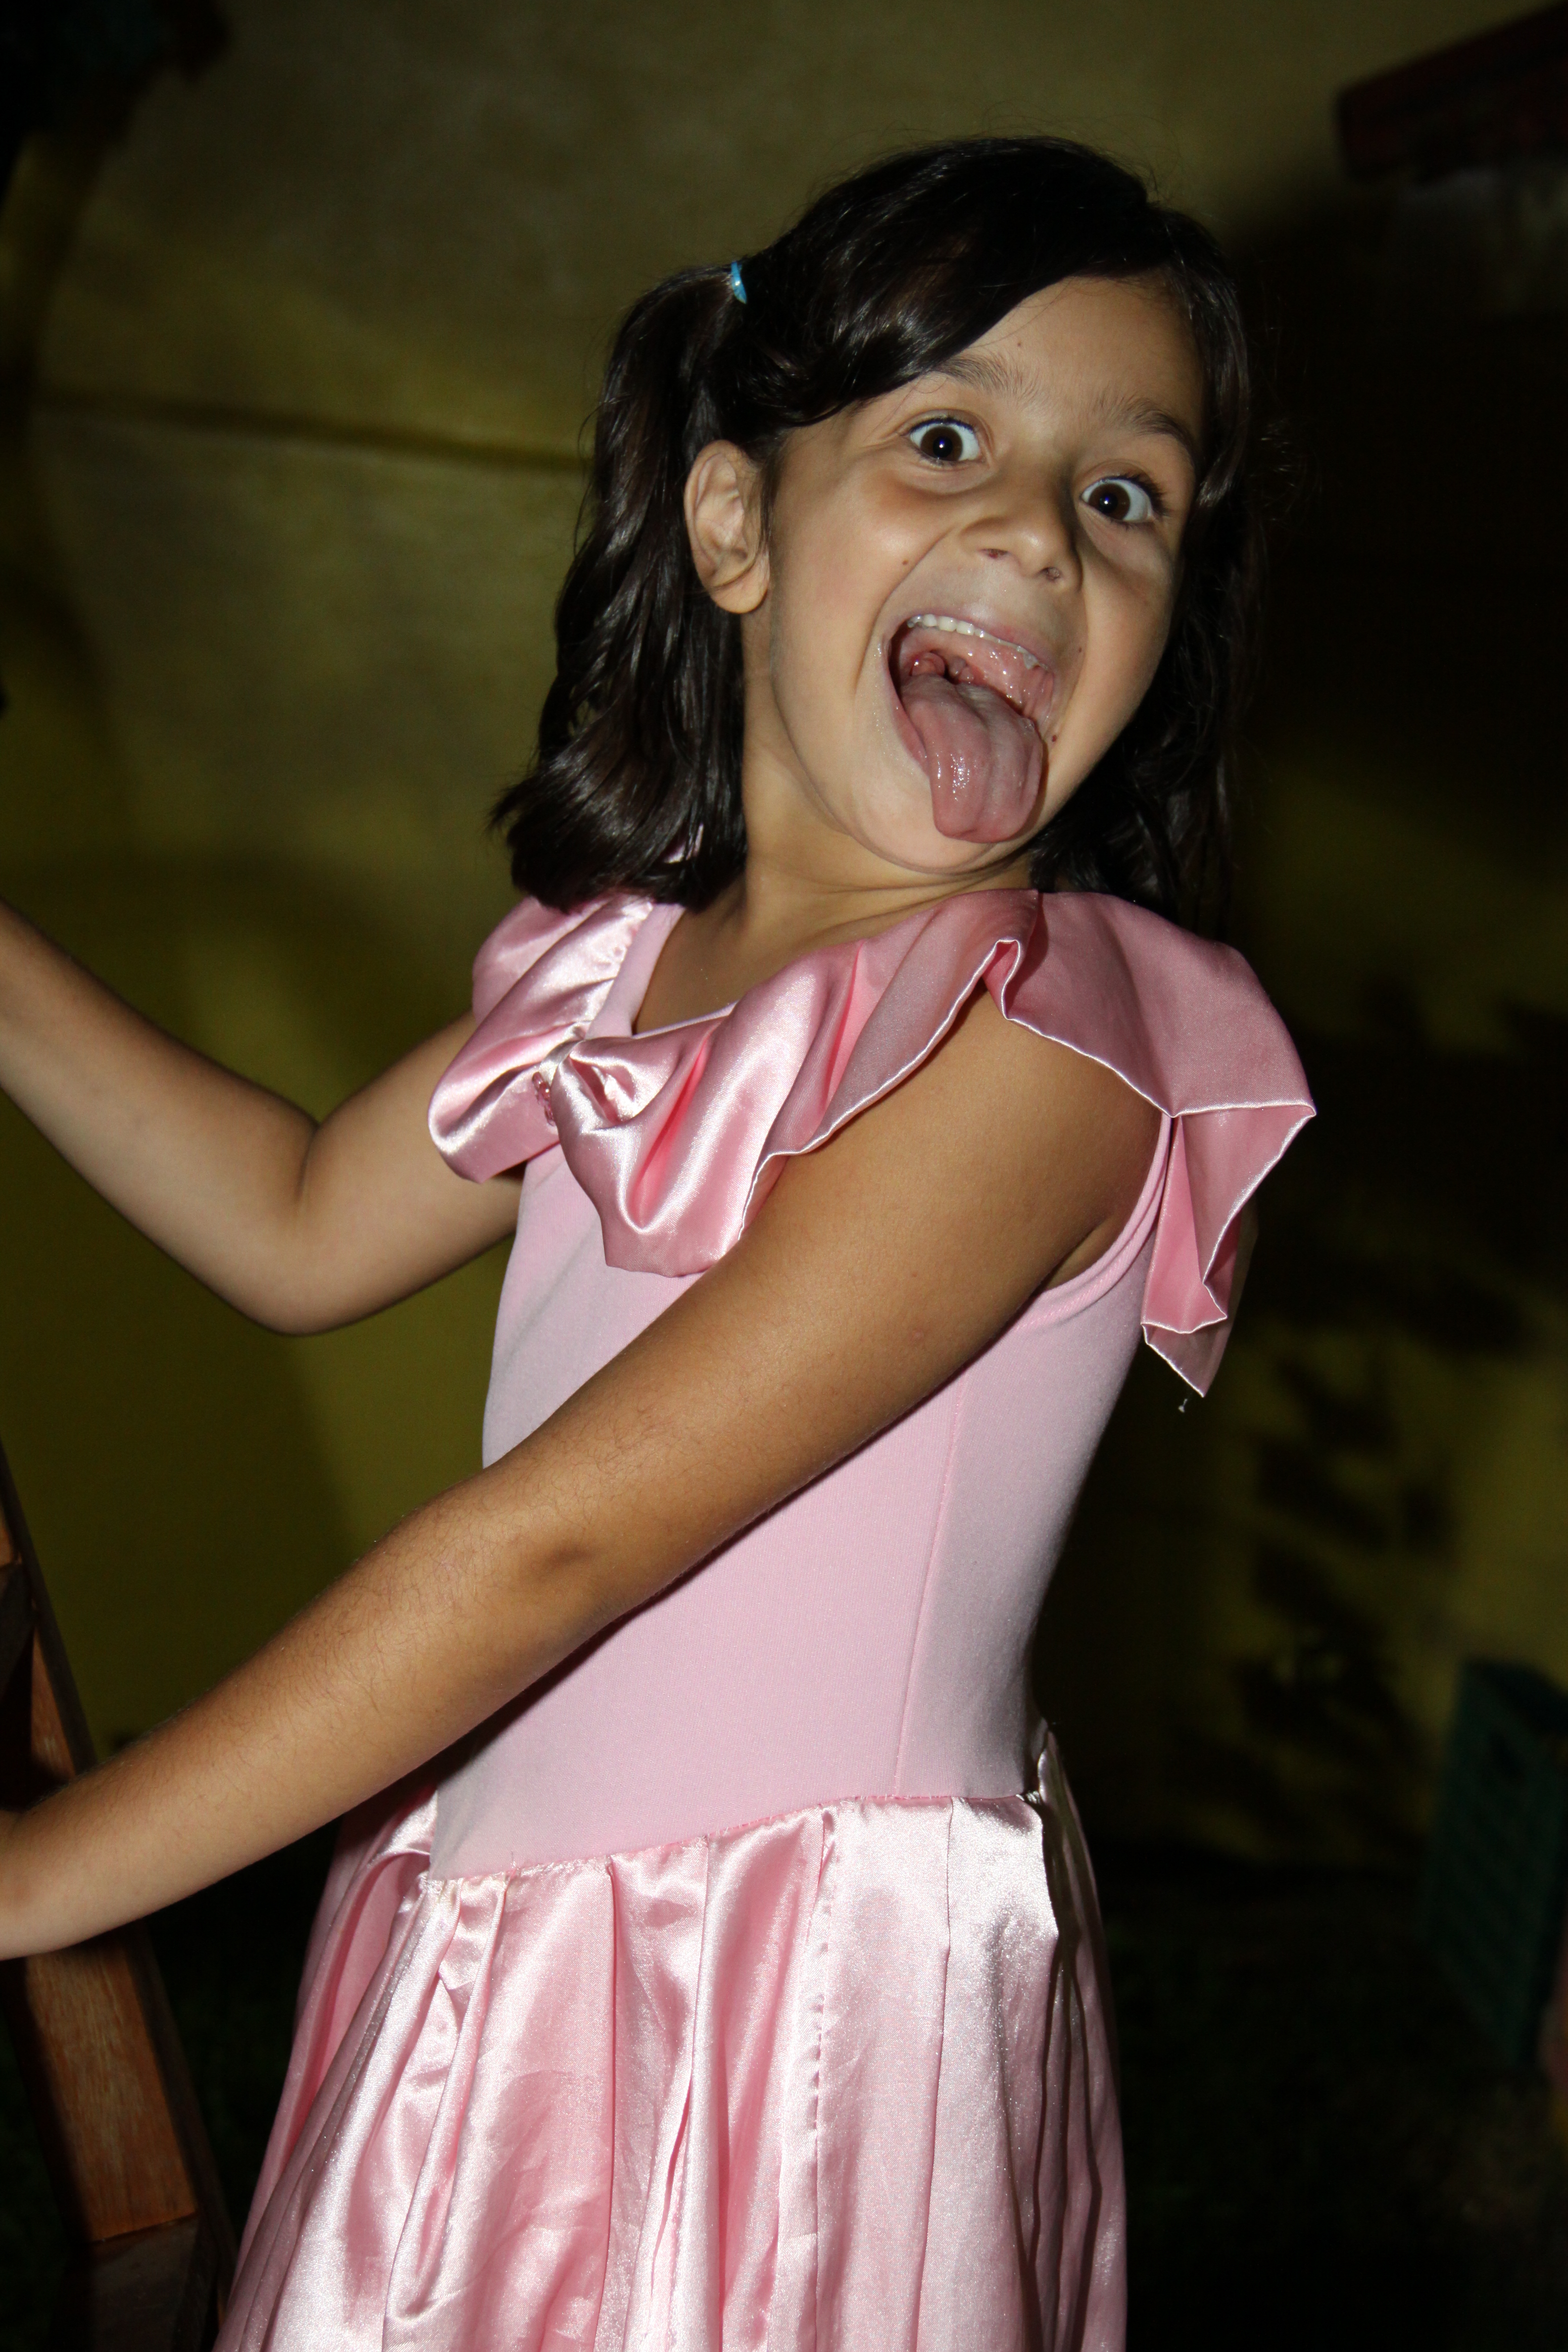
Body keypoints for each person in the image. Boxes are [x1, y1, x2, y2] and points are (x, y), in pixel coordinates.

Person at [0, 137, 1313, 2349]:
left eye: (1127, 497)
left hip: (785, 2030)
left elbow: (556, 1547)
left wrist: (38, 1875)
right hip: (508, 1947)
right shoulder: (618, 984)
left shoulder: (1049, 1044)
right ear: (733, 523)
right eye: (948, 439)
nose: (1036, 530)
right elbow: (295, 1217)